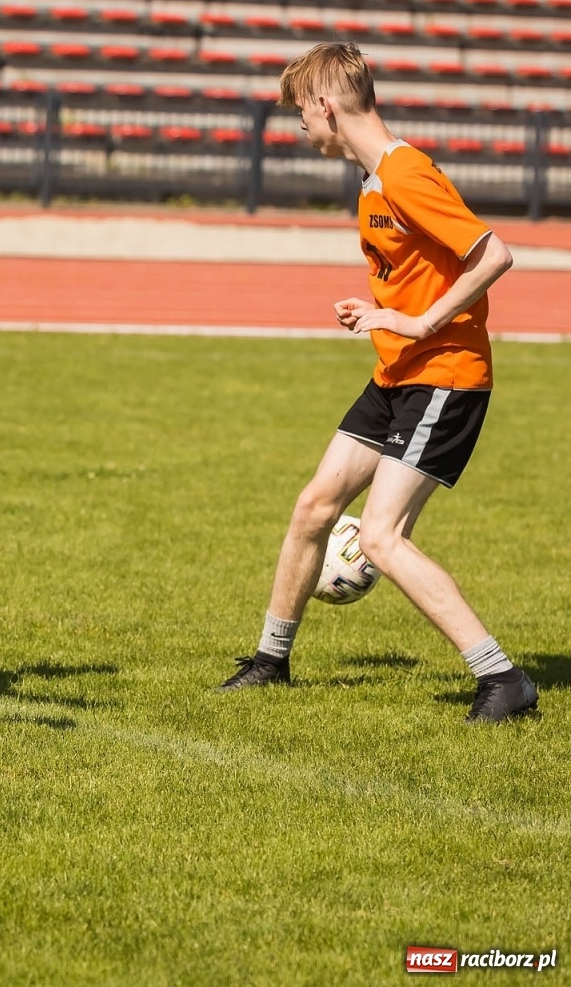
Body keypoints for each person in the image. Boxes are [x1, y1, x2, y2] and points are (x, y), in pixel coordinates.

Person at [217, 42, 537, 723]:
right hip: (398, 373)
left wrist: (417, 322)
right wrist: (379, 313)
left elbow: (495, 255)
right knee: (313, 509)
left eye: (302, 110)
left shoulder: (405, 173)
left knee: (383, 539)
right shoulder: (372, 178)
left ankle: (503, 680)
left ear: (327, 106)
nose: (300, 124)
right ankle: (271, 662)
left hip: (445, 377)